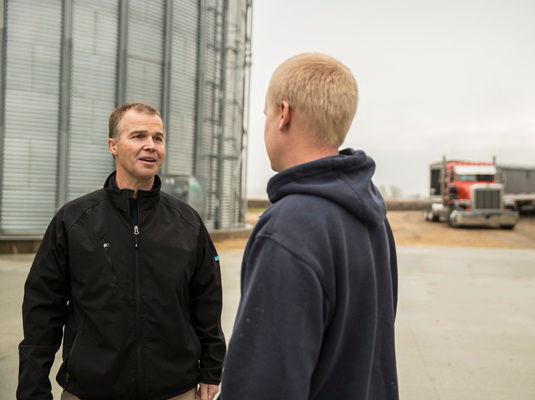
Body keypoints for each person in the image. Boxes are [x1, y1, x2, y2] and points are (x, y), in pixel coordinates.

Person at [220, 53, 399, 399]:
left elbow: (264, 384)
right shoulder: (375, 219)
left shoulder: (289, 228)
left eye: (266, 115)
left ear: (283, 114)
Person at [17, 103, 226, 400]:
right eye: (138, 136)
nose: (150, 146)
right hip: (90, 390)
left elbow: (207, 301)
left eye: (158, 138)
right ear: (113, 146)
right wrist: (32, 387)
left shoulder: (187, 222)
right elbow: (42, 308)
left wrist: (211, 368)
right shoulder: (74, 220)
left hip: (174, 390)